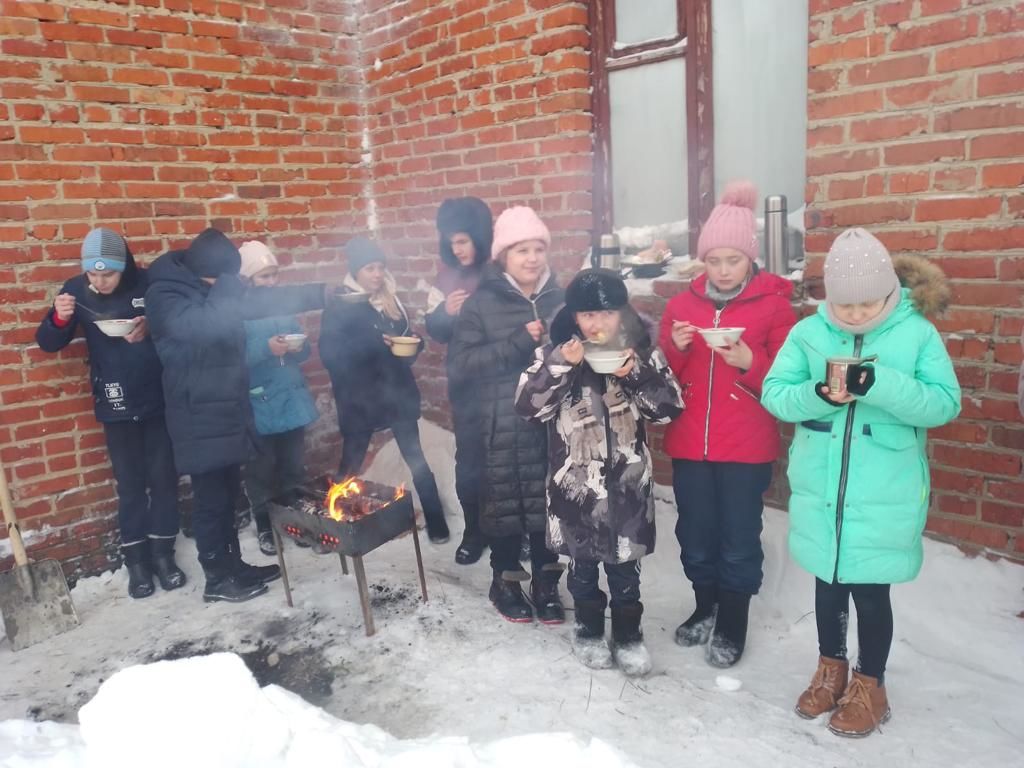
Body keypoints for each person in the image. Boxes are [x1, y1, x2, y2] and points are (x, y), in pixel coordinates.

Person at [762, 227, 961, 738]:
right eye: (843, 305)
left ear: (890, 291)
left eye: (866, 304)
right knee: (828, 588)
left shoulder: (916, 332)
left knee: (871, 594)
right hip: (822, 490)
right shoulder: (808, 333)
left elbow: (944, 403)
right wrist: (819, 395)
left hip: (884, 490)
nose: (853, 315)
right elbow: (776, 394)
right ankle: (832, 669)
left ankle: (871, 684)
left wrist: (882, 385)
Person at [145, 228, 327, 603]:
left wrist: (324, 294)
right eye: (225, 279)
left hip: (227, 408)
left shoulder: (211, 289)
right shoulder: (165, 295)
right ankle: (216, 578)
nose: (232, 286)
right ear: (206, 274)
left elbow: (263, 302)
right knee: (211, 500)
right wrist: (228, 287)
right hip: (197, 413)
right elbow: (206, 328)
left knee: (228, 495)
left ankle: (234, 565)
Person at [516, 269, 683, 675]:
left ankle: (628, 635)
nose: (597, 323)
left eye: (606, 314)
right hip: (576, 492)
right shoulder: (554, 353)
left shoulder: (641, 354)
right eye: (587, 314)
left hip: (627, 492)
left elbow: (668, 410)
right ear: (574, 317)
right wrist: (560, 365)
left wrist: (635, 373)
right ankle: (588, 630)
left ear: (622, 314)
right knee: (583, 570)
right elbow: (527, 406)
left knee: (626, 572)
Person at [658, 181, 797, 668]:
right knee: (695, 530)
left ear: (750, 259)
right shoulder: (681, 306)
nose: (721, 270)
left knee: (738, 533)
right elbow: (662, 379)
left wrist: (746, 360)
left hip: (747, 445)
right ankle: (704, 605)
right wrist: (675, 347)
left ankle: (733, 618)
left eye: (731, 260)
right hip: (691, 441)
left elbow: (787, 379)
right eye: (712, 260)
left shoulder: (775, 306)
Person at [35, 228, 184, 599]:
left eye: (108, 274)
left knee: (165, 479)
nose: (99, 282)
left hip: (157, 397)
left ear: (125, 269)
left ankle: (164, 556)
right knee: (130, 485)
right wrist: (58, 316)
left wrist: (151, 325)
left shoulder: (148, 284)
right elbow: (48, 343)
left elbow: (179, 326)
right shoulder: (75, 290)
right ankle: (137, 563)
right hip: (114, 401)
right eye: (93, 274)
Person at [448, 206, 565, 623]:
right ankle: (506, 583)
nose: (532, 258)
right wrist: (518, 342)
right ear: (503, 258)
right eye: (521, 251)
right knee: (505, 508)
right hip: (500, 424)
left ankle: (547, 584)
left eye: (538, 249)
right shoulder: (481, 304)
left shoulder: (561, 299)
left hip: (551, 423)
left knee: (547, 507)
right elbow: (460, 365)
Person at [319, 236, 450, 543]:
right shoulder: (339, 306)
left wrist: (411, 345)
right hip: (359, 398)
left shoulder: (391, 301)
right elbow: (330, 356)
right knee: (350, 462)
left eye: (380, 267)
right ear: (356, 271)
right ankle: (331, 523)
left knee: (416, 457)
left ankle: (435, 518)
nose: (377, 274)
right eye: (369, 268)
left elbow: (404, 341)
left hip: (396, 393)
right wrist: (376, 346)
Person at [238, 241, 319, 556]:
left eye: (273, 275)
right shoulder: (238, 314)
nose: (271, 282)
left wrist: (301, 348)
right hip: (260, 402)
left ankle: (296, 521)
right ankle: (264, 525)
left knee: (294, 466)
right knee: (261, 469)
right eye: (264, 277)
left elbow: (305, 351)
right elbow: (234, 358)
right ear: (247, 279)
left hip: (291, 398)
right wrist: (265, 349)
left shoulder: (283, 307)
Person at [425, 197, 493, 565]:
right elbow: (435, 331)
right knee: (470, 461)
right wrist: (444, 313)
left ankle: (516, 531)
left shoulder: (500, 272)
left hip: (502, 383)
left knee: (508, 460)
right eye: (451, 242)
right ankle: (474, 530)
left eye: (463, 241)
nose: (457, 249)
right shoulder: (445, 278)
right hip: (465, 385)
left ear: (480, 237)